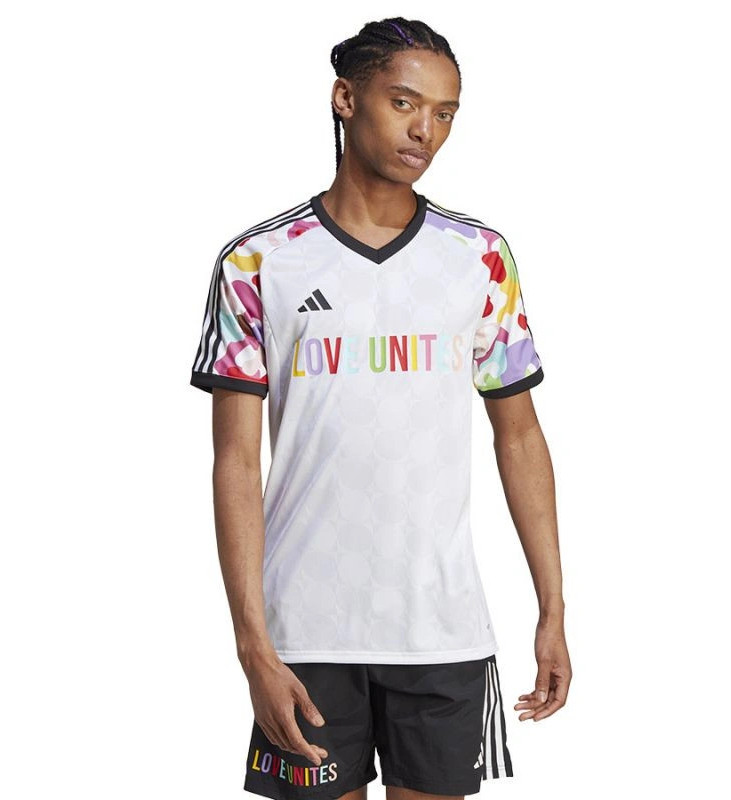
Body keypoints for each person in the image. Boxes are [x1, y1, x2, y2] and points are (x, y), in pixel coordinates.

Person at [189, 16, 571, 800]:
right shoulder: (258, 261)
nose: (425, 129)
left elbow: (520, 437)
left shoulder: (480, 258)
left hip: (441, 628)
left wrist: (553, 608)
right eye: (404, 103)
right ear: (345, 98)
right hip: (303, 635)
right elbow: (235, 460)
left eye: (444, 112)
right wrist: (253, 644)